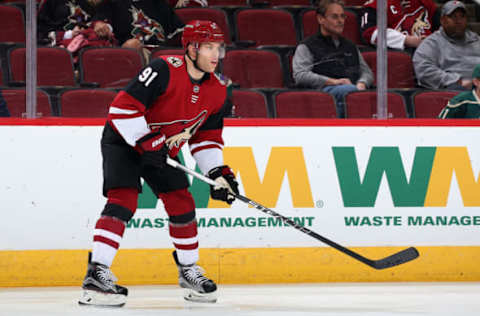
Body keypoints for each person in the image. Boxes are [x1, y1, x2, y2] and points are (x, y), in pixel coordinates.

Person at [78, 20, 239, 307]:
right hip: (124, 140)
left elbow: (206, 138)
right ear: (191, 48)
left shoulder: (217, 91)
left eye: (219, 48)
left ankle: (189, 270)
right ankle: (96, 274)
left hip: (160, 147)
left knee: (182, 201)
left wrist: (218, 173)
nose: (216, 54)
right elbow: (122, 108)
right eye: (208, 47)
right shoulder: (164, 68)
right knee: (123, 201)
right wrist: (146, 141)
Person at [292, 0, 373, 118]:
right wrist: (334, 82)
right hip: (321, 94)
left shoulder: (350, 46)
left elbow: (366, 72)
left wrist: (362, 83)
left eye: (342, 16)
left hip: (352, 90)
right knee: (347, 91)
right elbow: (300, 75)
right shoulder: (307, 45)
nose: (340, 21)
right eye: (334, 17)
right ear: (321, 19)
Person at [413, 0, 480, 90]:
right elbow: (424, 70)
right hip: (453, 92)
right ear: (442, 20)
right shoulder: (432, 43)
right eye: (453, 17)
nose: (459, 21)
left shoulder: (476, 40)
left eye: (462, 17)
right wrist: (456, 81)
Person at [360, 0, 440, 52]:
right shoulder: (376, 5)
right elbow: (370, 34)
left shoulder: (426, 3)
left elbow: (442, 29)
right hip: (403, 53)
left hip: (433, 51)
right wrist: (407, 40)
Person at [37, 0, 113, 47]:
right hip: (59, 47)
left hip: (86, 46)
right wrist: (69, 35)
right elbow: (41, 31)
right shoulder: (51, 2)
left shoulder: (88, 4)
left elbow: (96, 22)